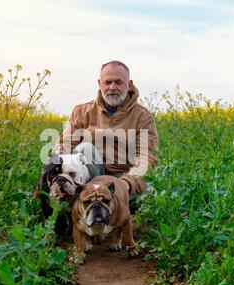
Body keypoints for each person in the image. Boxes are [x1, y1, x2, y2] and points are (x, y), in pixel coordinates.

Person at [52, 60, 158, 208]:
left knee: (152, 195)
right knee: (85, 149)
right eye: (107, 82)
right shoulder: (81, 112)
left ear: (129, 84)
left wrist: (124, 184)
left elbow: (146, 159)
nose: (112, 87)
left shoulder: (143, 117)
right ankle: (85, 198)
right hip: (87, 178)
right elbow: (64, 146)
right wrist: (60, 151)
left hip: (123, 178)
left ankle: (105, 203)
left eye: (118, 82)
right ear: (99, 83)